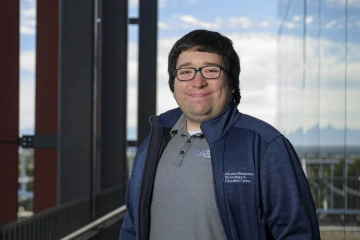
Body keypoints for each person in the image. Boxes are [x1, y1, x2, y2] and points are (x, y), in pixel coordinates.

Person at [120, 29, 320, 240]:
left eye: (211, 70)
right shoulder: (154, 143)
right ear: (174, 83)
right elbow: (132, 228)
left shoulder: (265, 146)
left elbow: (299, 234)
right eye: (186, 72)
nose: (198, 82)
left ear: (231, 82)